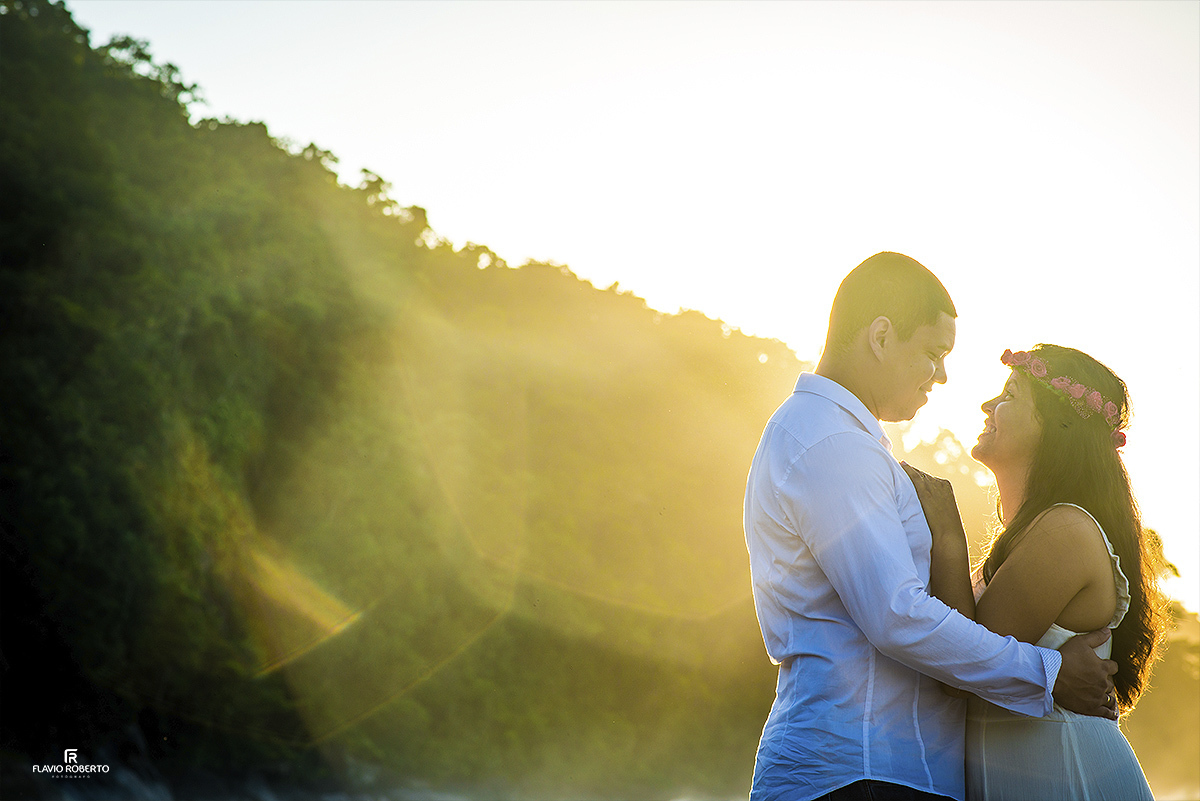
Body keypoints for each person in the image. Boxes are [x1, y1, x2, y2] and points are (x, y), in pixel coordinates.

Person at [743, 253, 1118, 801]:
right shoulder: (833, 445)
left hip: (878, 771)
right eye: (932, 353)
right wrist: (1047, 672)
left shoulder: (844, 440)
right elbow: (896, 614)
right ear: (880, 336)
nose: (941, 375)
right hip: (860, 770)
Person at [927, 345, 1167, 799]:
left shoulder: (1065, 529)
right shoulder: (1033, 536)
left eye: (1010, 394)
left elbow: (959, 667)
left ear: (1056, 427)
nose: (987, 405)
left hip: (1069, 777)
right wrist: (1054, 671)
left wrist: (946, 536)